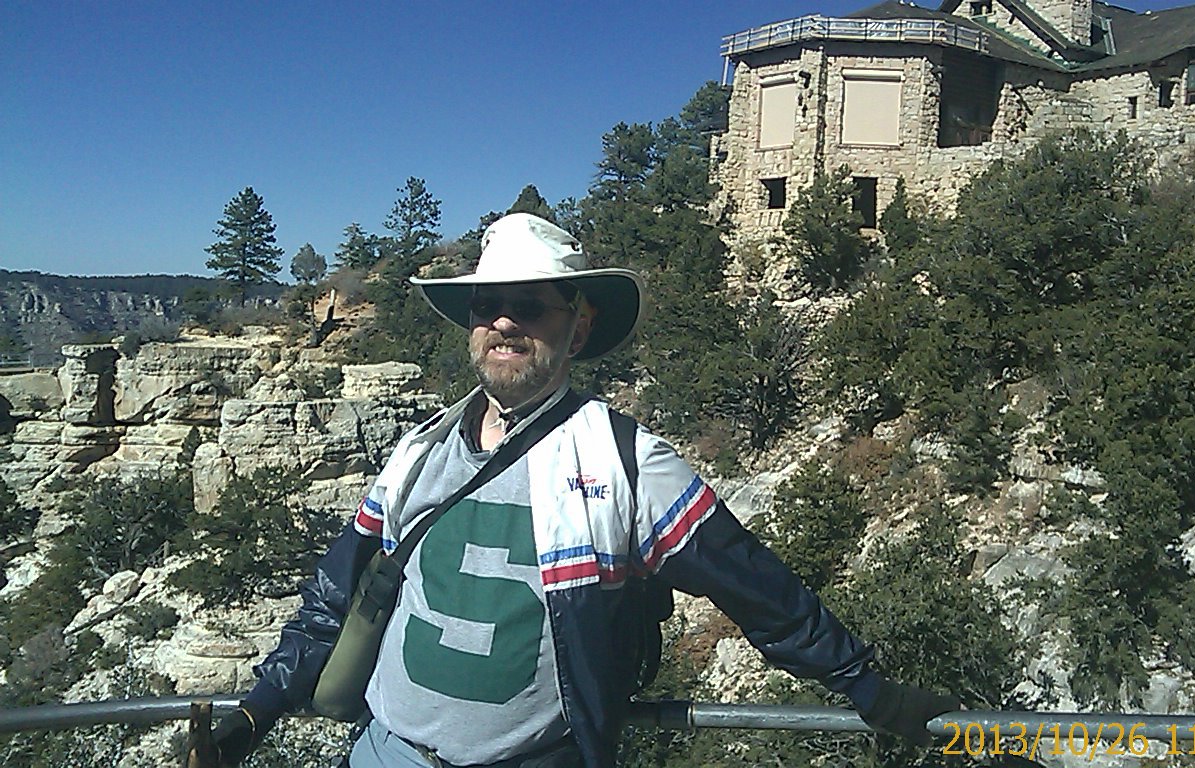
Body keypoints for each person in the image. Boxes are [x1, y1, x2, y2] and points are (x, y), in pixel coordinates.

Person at [206, 213, 959, 767]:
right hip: (386, 753)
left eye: (530, 304)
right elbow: (333, 597)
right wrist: (258, 708)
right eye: (486, 306)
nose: (504, 321)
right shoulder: (419, 451)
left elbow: (759, 589)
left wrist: (868, 687)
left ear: (579, 325)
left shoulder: (627, 463)